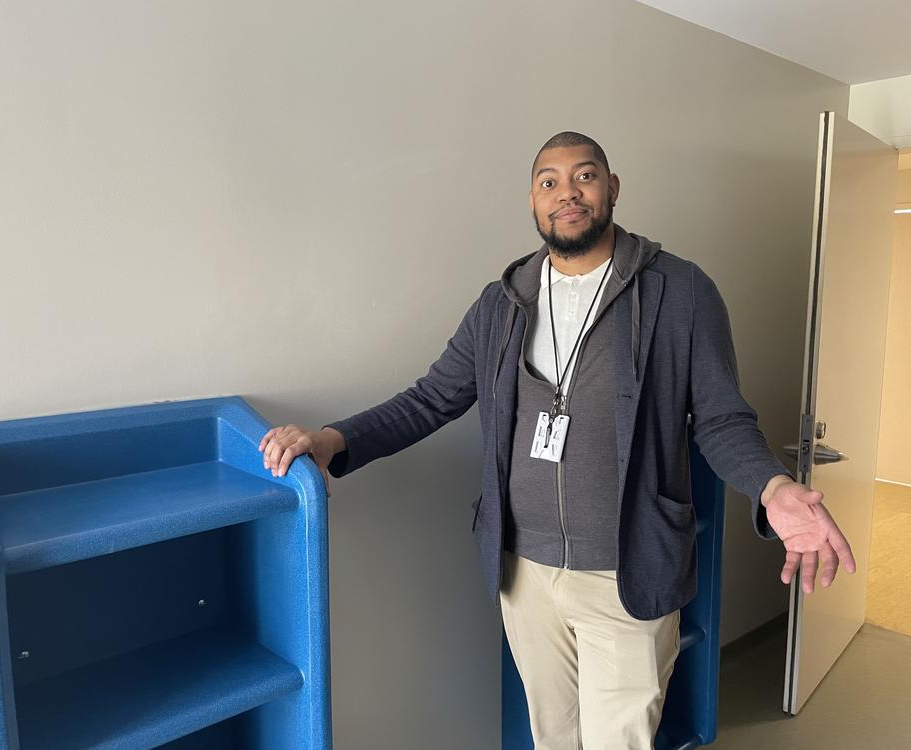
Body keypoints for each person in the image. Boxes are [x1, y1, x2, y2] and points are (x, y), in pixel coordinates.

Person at [258, 132, 856, 749]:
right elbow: (430, 398)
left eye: (584, 176)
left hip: (629, 572)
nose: (567, 193)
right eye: (549, 181)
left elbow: (721, 418)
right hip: (525, 575)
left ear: (612, 188)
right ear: (533, 201)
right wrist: (332, 440)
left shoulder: (680, 293)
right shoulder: (501, 303)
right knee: (552, 738)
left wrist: (773, 485)